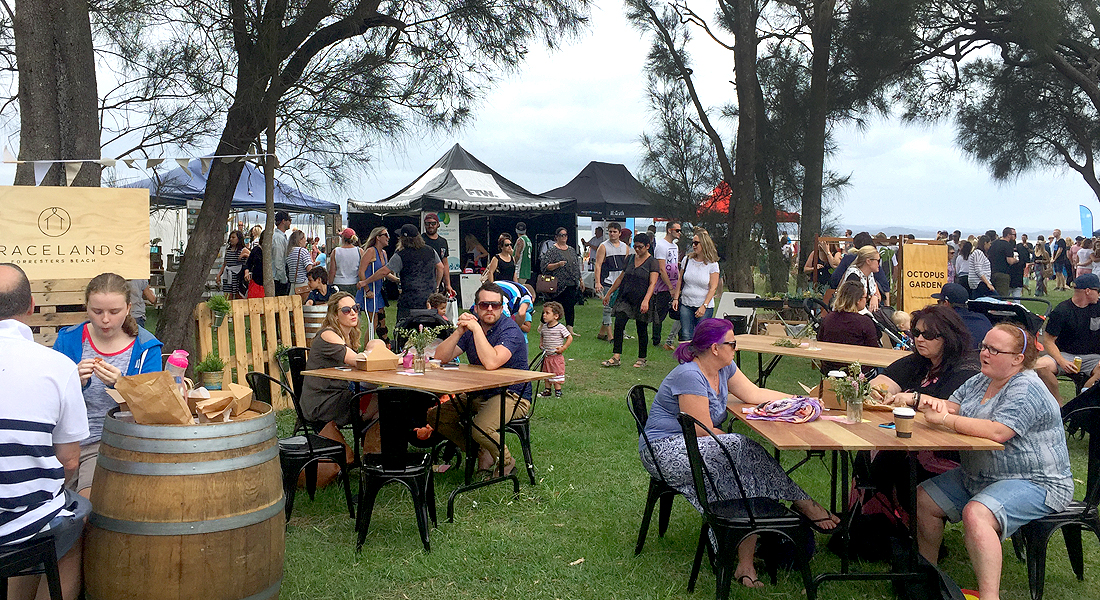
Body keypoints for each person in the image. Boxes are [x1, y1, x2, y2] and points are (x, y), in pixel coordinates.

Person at [640, 318, 839, 590]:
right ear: (715, 348)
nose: (736, 348)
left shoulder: (724, 368)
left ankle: (744, 562)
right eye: (732, 344)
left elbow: (753, 393)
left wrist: (798, 400)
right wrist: (734, 447)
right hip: (666, 450)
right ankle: (802, 502)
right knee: (740, 450)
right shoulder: (690, 375)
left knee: (741, 472)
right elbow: (702, 431)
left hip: (698, 447)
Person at [915, 324, 1072, 600]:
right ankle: (927, 580)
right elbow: (952, 406)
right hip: (981, 476)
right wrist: (919, 401)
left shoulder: (1027, 387)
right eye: (984, 346)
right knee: (925, 499)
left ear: (1018, 359)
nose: (984, 353)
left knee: (976, 514)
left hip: (1036, 482)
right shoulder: (982, 379)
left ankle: (990, 597)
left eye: (994, 350)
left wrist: (946, 419)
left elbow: (999, 431)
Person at [0, 264, 92, 600]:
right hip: (18, 526)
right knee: (69, 524)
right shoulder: (57, 367)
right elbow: (69, 461)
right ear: (31, 306)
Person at [53, 273, 164, 498]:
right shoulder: (69, 339)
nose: (105, 320)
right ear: (86, 308)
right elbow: (47, 398)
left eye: (114, 312)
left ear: (128, 308)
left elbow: (155, 407)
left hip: (112, 441)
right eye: (97, 311)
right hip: (63, 440)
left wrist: (123, 385)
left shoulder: (146, 347)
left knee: (88, 502)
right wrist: (73, 383)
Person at [430, 283, 531, 477]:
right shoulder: (470, 329)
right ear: (476, 307)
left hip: (512, 394)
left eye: (495, 305)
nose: (490, 309)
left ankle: (506, 461)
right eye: (484, 305)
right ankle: (480, 451)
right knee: (437, 416)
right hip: (479, 392)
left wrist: (476, 329)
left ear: (502, 308)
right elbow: (439, 358)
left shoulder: (510, 330)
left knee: (481, 428)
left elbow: (491, 362)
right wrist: (459, 331)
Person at [300, 292, 379, 484]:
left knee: (380, 399)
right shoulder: (328, 334)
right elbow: (359, 361)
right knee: (382, 401)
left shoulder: (346, 336)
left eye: (356, 308)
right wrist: (381, 351)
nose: (353, 313)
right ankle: (373, 461)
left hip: (336, 394)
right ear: (335, 315)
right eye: (346, 310)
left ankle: (373, 457)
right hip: (321, 403)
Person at [362, 224, 445, 323]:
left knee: (405, 326)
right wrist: (436, 285)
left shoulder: (401, 254)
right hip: (429, 297)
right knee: (428, 324)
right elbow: (440, 267)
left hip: (409, 299)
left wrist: (365, 281)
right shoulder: (430, 250)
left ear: (403, 239)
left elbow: (384, 271)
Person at [1035, 273, 1100, 401]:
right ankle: (1058, 405)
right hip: (1065, 354)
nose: (1098, 295)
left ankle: (1082, 401)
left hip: (1094, 356)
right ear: (1088, 291)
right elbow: (1048, 341)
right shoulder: (1062, 310)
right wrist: (1061, 361)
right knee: (1040, 366)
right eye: (1098, 291)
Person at [601, 233, 659, 369]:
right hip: (626, 297)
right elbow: (621, 278)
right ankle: (616, 356)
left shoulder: (652, 262)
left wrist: (646, 300)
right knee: (619, 323)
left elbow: (652, 283)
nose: (637, 249)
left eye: (640, 247)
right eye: (635, 246)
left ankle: (642, 358)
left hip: (642, 297)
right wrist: (609, 293)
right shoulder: (630, 258)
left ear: (647, 246)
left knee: (641, 327)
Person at [816, 280, 880, 373]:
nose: (866, 300)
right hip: (857, 373)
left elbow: (820, 341)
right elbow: (874, 351)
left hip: (830, 370)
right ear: (858, 300)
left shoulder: (828, 318)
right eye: (866, 297)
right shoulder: (865, 322)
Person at [672, 229, 721, 342]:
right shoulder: (687, 259)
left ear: (704, 244)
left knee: (701, 336)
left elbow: (713, 287)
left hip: (703, 305)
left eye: (696, 243)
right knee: (686, 334)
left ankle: (700, 354)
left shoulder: (712, 264)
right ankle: (686, 353)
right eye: (692, 243)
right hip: (686, 303)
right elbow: (680, 280)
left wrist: (704, 305)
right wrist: (676, 298)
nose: (693, 245)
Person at [541, 226, 584, 336]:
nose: (563, 237)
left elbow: (576, 266)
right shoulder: (552, 251)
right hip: (557, 283)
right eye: (561, 235)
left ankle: (570, 329)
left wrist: (580, 279)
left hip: (571, 282)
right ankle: (543, 325)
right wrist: (558, 264)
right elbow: (545, 266)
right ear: (556, 237)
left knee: (570, 306)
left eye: (565, 235)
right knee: (553, 305)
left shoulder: (571, 250)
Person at [593, 222, 630, 342]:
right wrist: (598, 282)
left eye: (614, 232)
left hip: (621, 281)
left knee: (620, 308)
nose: (612, 234)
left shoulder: (625, 247)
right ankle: (610, 336)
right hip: (608, 280)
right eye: (610, 232)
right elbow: (598, 265)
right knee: (608, 308)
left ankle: (602, 333)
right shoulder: (603, 246)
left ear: (619, 233)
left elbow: (626, 266)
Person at [357, 227, 392, 345]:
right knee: (373, 321)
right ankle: (368, 347)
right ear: (378, 237)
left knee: (381, 320)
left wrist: (397, 280)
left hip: (378, 291)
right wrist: (367, 290)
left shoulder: (384, 253)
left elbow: (384, 272)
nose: (388, 237)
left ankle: (382, 343)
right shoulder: (370, 251)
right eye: (385, 235)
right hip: (369, 291)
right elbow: (361, 272)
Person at [931, 282, 992, 350]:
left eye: (939, 302)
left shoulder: (944, 324)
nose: (938, 306)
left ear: (945, 303)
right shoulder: (983, 319)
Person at [652, 221, 682, 348]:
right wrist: (670, 287)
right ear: (670, 230)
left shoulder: (675, 246)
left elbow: (676, 265)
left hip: (675, 283)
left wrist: (678, 283)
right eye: (677, 230)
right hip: (663, 287)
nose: (679, 233)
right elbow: (661, 268)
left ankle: (679, 339)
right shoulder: (661, 246)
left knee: (680, 313)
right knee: (660, 314)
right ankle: (656, 340)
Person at [538, 301, 571, 398]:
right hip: (546, 356)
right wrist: (541, 343)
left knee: (556, 373)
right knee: (546, 372)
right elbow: (542, 335)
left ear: (556, 316)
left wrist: (563, 348)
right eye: (543, 313)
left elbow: (569, 337)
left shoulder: (560, 327)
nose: (544, 315)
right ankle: (547, 390)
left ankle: (558, 390)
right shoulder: (544, 327)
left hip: (556, 356)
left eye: (547, 313)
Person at [840, 246, 882, 311]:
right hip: (851, 312)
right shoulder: (853, 276)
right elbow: (852, 302)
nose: (879, 264)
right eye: (878, 260)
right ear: (868, 261)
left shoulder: (869, 274)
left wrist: (875, 297)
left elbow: (878, 296)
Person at [422, 213, 455, 296]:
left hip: (437, 282)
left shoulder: (443, 242)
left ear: (438, 224)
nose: (430, 226)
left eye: (433, 223)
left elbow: (445, 264)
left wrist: (448, 284)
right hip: (423, 282)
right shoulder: (420, 240)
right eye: (427, 223)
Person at [218, 229, 248, 299]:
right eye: (230, 237)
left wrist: (245, 255)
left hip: (238, 276)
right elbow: (225, 264)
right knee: (227, 295)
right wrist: (219, 275)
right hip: (228, 275)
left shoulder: (243, 250)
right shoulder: (228, 250)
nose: (231, 239)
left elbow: (253, 258)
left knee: (239, 295)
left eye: (233, 237)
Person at [987, 227, 1018, 297]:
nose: (1015, 237)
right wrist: (1016, 260)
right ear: (1008, 235)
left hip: (991, 273)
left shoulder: (993, 243)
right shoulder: (1007, 245)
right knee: (1002, 297)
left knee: (992, 296)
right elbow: (1009, 261)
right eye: (1014, 235)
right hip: (1002, 274)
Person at [286, 229, 312, 301]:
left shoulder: (289, 252)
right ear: (300, 240)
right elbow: (309, 269)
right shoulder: (303, 251)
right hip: (303, 285)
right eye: (304, 238)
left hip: (293, 285)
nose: (305, 241)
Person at [242, 229, 267, 298]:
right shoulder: (256, 250)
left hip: (268, 283)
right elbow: (248, 263)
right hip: (256, 282)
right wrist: (246, 272)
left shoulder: (273, 251)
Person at [272, 210, 291, 296]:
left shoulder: (280, 237)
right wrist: (283, 279)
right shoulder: (278, 238)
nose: (290, 223)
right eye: (289, 220)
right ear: (283, 221)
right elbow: (278, 259)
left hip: (278, 277)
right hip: (277, 279)